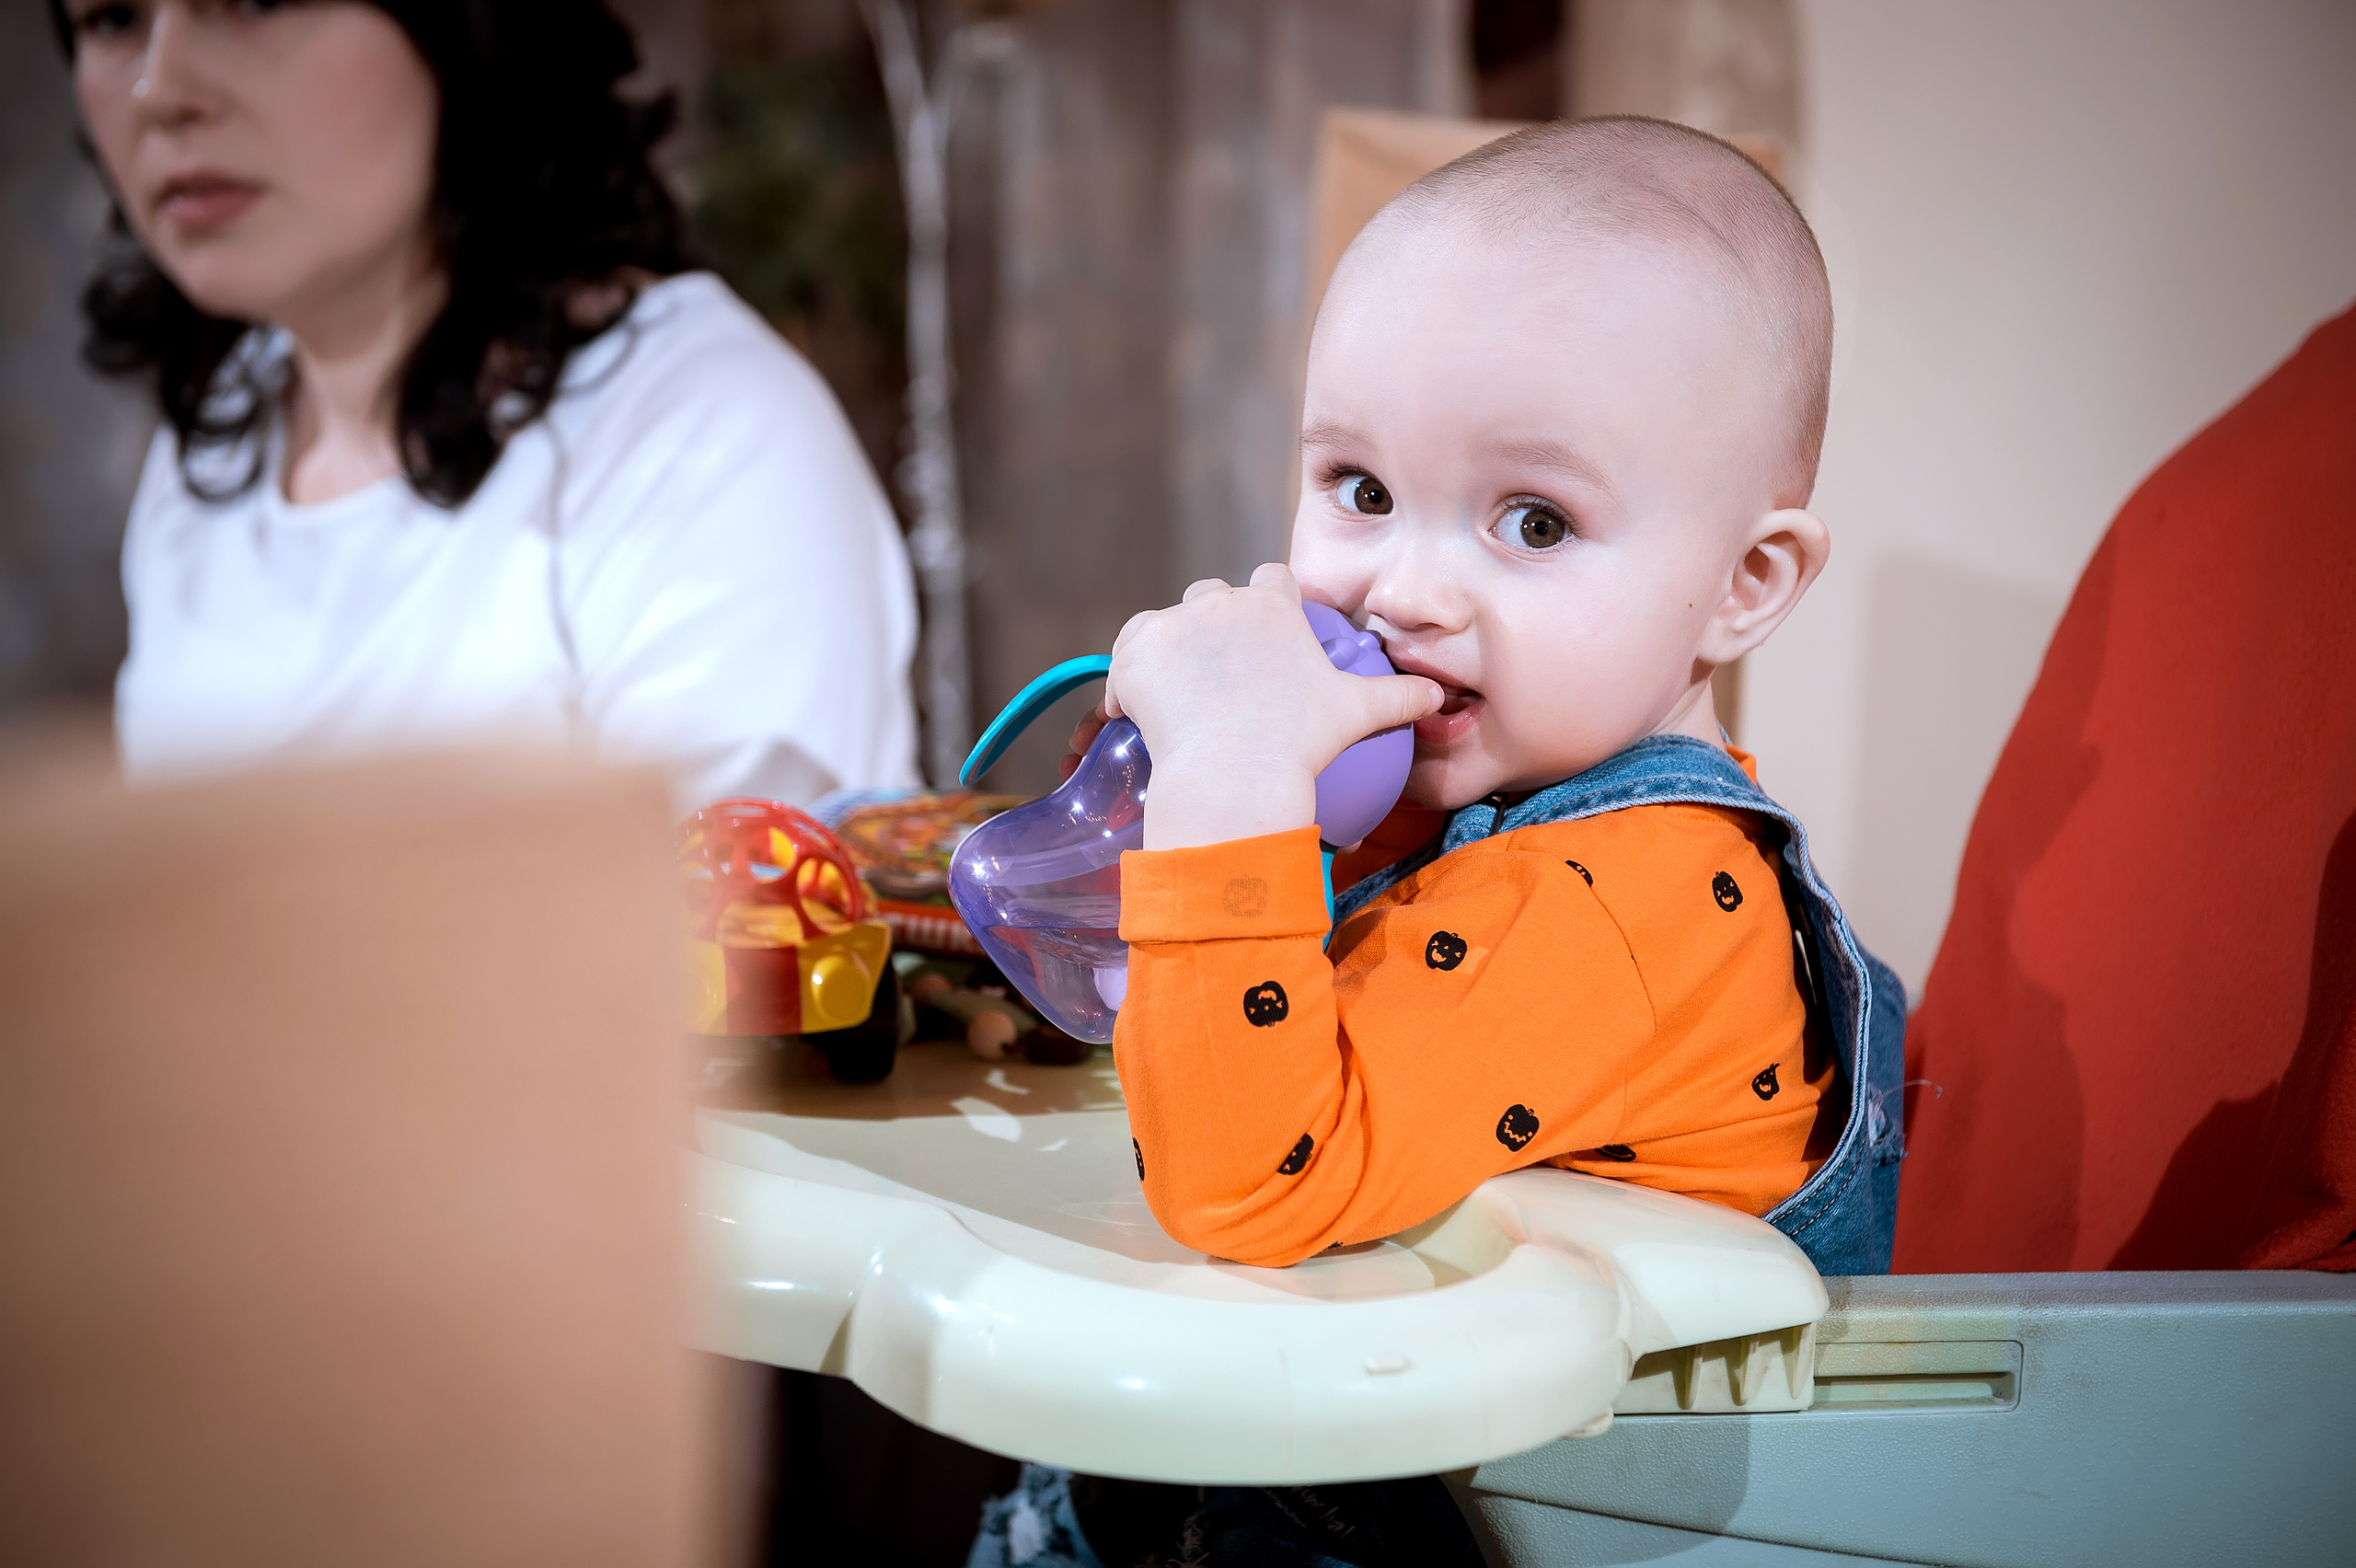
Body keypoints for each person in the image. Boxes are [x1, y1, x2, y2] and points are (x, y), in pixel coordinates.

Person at [974, 116, 1906, 1568]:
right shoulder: (1460, 804)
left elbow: (1247, 1187)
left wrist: (1233, 778)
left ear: (1745, 582)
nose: (1404, 591)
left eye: (1533, 523)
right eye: (1361, 491)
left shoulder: (1621, 900)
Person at [54, 0, 919, 808]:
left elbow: (751, 904)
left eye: (255, 0)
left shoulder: (703, 439)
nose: (160, 89)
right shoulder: (215, 440)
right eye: (111, 17)